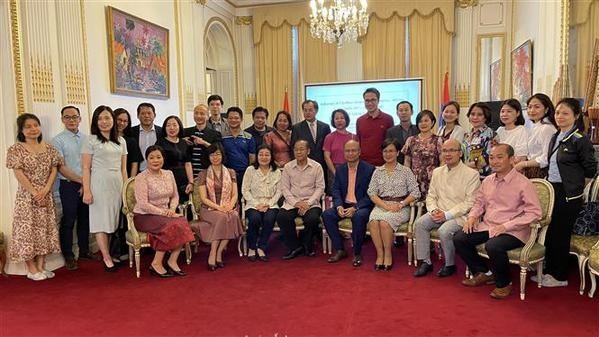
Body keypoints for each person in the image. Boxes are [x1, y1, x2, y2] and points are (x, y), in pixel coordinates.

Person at [453, 144, 541, 299]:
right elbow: (479, 203)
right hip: (488, 225)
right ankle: (484, 273)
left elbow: (534, 213)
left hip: (513, 230)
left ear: (512, 159)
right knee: (460, 237)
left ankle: (504, 283)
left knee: (493, 245)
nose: (494, 161)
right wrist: (472, 217)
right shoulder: (487, 181)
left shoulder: (523, 183)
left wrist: (506, 226)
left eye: (500, 157)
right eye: (492, 157)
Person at [540, 98, 597, 287]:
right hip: (552, 189)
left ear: (576, 116)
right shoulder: (556, 136)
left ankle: (559, 276)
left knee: (561, 233)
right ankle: (548, 270)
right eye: (557, 113)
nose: (560, 116)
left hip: (569, 193)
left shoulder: (579, 139)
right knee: (550, 231)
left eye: (565, 113)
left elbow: (590, 168)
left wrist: (577, 185)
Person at [6, 113, 62, 281]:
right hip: (27, 197)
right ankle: (31, 268)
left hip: (46, 194)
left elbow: (54, 170)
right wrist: (35, 192)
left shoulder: (50, 148)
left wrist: (45, 190)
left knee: (45, 229)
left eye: (35, 125)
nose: (33, 129)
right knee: (28, 231)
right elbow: (18, 173)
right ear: (21, 130)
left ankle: (41, 266)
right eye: (28, 127)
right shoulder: (16, 149)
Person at [413, 139, 480, 278]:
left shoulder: (471, 174)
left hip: (460, 216)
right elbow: (431, 196)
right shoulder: (437, 172)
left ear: (460, 153)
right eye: (444, 151)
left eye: (452, 150)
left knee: (444, 230)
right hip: (438, 211)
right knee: (419, 224)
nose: (447, 154)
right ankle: (426, 261)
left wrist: (447, 215)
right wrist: (433, 210)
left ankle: (449, 265)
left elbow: (469, 203)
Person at [133, 146, 195, 277]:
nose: (155, 160)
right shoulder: (141, 177)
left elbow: (175, 196)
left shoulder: (168, 174)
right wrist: (164, 213)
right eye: (151, 158)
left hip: (166, 214)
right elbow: (143, 204)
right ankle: (156, 263)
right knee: (171, 225)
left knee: (182, 222)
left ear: (163, 158)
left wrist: (172, 210)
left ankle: (172, 260)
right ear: (146, 159)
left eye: (158, 157)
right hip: (145, 216)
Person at [82, 105, 128, 272]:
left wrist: (126, 190)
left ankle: (108, 253)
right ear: (95, 121)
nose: (104, 122)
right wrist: (87, 190)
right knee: (101, 221)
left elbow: (124, 169)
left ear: (113, 120)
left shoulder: (121, 141)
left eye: (107, 118)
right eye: (100, 118)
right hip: (99, 182)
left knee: (113, 221)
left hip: (116, 182)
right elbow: (86, 168)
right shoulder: (91, 140)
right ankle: (107, 257)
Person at [367, 139, 420, 270]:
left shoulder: (406, 171)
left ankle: (388, 255)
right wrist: (385, 206)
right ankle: (380, 255)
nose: (388, 154)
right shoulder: (377, 171)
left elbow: (415, 192)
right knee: (373, 221)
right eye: (385, 151)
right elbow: (372, 193)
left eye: (391, 151)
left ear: (397, 153)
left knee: (385, 222)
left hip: (400, 206)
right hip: (382, 205)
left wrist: (401, 204)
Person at [52, 106, 94, 271]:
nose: (71, 120)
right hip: (69, 185)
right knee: (69, 220)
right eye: (67, 117)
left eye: (74, 117)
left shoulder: (88, 139)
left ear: (80, 119)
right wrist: (82, 182)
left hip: (87, 184)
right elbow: (61, 167)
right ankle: (68, 255)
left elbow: (91, 163)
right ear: (62, 119)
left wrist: (86, 183)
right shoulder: (58, 140)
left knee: (85, 219)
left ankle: (84, 251)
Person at [322, 140, 375, 267]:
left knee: (358, 216)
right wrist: (339, 205)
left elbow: (371, 194)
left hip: (361, 206)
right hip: (344, 205)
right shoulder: (340, 169)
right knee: (327, 215)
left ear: (359, 152)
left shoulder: (369, 169)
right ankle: (340, 249)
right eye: (347, 151)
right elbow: (336, 190)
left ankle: (357, 252)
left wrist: (356, 207)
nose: (350, 153)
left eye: (353, 150)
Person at [192, 143, 243, 271]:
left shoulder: (230, 172)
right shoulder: (203, 174)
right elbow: (203, 198)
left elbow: (235, 194)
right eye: (212, 155)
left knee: (233, 215)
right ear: (208, 157)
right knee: (222, 218)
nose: (215, 157)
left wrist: (230, 206)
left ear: (222, 155)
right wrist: (219, 208)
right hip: (209, 208)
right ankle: (213, 253)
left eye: (218, 154)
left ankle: (218, 252)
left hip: (228, 206)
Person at [277, 140, 325, 260]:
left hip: (311, 202)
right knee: (282, 217)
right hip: (292, 202)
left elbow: (320, 188)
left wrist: (308, 203)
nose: (298, 151)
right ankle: (295, 247)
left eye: (301, 149)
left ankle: (307, 245)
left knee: (312, 219)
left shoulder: (317, 166)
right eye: (296, 149)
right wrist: (296, 203)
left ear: (308, 151)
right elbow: (284, 188)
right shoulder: (288, 167)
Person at [241, 145, 281, 262]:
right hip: (253, 203)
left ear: (271, 157)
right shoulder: (250, 170)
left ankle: (261, 247)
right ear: (257, 156)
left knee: (269, 219)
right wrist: (256, 204)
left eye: (267, 155)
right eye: (261, 154)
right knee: (254, 219)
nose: (264, 157)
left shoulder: (276, 171)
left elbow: (280, 191)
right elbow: (245, 189)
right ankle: (252, 247)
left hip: (271, 203)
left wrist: (268, 204)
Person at [513, 93, 557, 178]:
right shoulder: (535, 126)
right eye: (529, 107)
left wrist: (524, 164)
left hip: (540, 172)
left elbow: (545, 158)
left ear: (546, 109)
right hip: (530, 169)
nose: (532, 110)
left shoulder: (546, 128)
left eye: (537, 107)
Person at [291, 100, 331, 189]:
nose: (307, 113)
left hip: (321, 166)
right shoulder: (296, 128)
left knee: (321, 191)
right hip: (304, 166)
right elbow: (293, 148)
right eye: (305, 110)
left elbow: (327, 148)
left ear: (316, 111)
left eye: (310, 110)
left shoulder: (325, 127)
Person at [402, 110, 442, 199]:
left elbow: (442, 161)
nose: (423, 123)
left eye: (426, 121)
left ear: (432, 122)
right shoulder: (411, 140)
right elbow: (407, 161)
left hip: (433, 180)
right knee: (414, 208)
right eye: (420, 121)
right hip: (414, 180)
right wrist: (408, 178)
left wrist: (439, 177)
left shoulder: (438, 140)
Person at [156, 116, 194, 203]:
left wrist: (191, 182)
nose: (171, 128)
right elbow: (156, 164)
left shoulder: (184, 143)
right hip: (166, 179)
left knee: (183, 206)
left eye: (174, 125)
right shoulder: (160, 143)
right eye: (168, 125)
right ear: (164, 128)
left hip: (183, 180)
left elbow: (188, 163)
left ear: (179, 127)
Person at [221, 107, 256, 200]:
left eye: (236, 118)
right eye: (231, 118)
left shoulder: (249, 137)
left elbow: (252, 158)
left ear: (241, 119)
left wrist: (250, 174)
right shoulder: (222, 137)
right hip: (227, 174)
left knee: (244, 199)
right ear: (227, 119)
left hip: (244, 174)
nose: (233, 120)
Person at [356, 88, 394, 166]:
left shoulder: (388, 119)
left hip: (383, 163)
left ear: (378, 101)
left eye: (373, 100)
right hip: (364, 164)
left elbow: (390, 143)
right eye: (367, 100)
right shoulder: (360, 120)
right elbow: (358, 142)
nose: (370, 103)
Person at [183, 104, 222, 177]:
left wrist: (204, 143)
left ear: (207, 117)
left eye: (202, 113)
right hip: (189, 174)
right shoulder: (186, 132)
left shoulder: (215, 134)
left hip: (208, 173)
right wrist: (182, 142)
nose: (198, 116)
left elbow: (218, 151)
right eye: (196, 113)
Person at [323, 109, 357, 187]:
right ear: (333, 121)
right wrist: (335, 172)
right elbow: (326, 157)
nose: (339, 120)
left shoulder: (353, 137)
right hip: (334, 169)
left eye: (342, 118)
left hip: (351, 169)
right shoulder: (329, 137)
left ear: (346, 120)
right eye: (336, 118)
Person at [463, 102, 495, 178]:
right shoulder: (467, 135)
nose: (475, 117)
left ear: (486, 117)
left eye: (480, 115)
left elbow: (489, 157)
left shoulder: (491, 134)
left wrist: (464, 166)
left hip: (482, 177)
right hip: (466, 175)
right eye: (472, 114)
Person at [385, 100, 420, 165]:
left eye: (406, 110)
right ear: (397, 113)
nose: (403, 112)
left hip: (417, 166)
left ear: (412, 112)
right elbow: (389, 150)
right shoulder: (391, 131)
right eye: (401, 110)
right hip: (397, 166)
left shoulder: (418, 129)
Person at [130, 102, 162, 171]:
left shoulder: (162, 132)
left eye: (149, 113)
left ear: (154, 115)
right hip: (138, 172)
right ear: (138, 116)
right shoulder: (131, 132)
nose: (146, 116)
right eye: (143, 113)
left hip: (158, 172)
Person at [495, 98, 528, 163]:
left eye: (509, 111)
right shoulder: (499, 130)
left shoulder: (521, 130)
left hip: (513, 168)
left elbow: (521, 156)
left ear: (518, 113)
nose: (504, 114)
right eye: (502, 111)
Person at [114, 108, 143, 177]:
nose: (122, 123)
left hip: (126, 177)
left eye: (125, 121)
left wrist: (130, 182)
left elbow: (134, 164)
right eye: (119, 120)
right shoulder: (105, 138)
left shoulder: (131, 141)